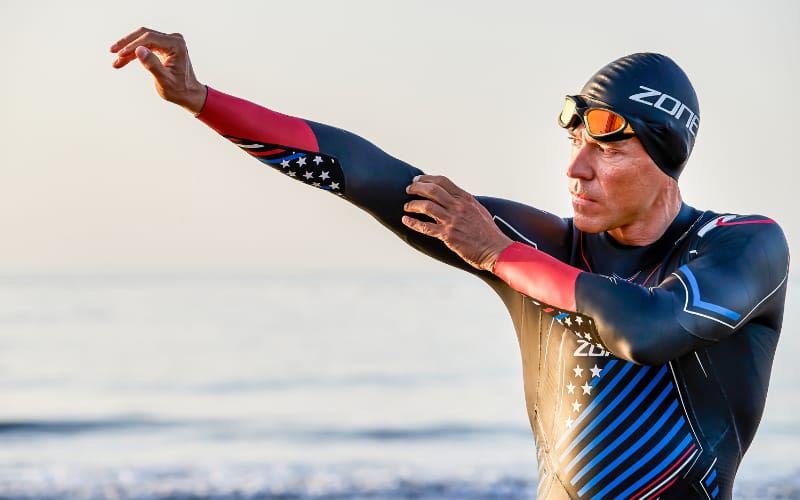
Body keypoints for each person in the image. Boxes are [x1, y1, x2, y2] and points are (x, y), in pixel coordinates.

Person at [110, 27, 789, 499]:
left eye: (608, 150)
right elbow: (367, 173)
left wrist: (497, 254)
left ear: (667, 156)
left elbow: (649, 329)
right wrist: (204, 101)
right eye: (576, 142)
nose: (575, 169)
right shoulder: (546, 247)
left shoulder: (745, 247)